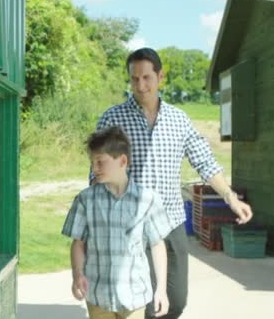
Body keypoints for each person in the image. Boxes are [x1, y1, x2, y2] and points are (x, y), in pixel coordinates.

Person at [94, 47, 253, 318]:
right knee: (140, 302)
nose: (140, 86)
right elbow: (98, 171)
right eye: (134, 79)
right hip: (129, 225)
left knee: (175, 301)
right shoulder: (113, 118)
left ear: (160, 76)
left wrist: (230, 197)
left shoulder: (179, 120)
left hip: (171, 222)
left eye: (147, 78)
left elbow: (205, 162)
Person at [62, 126, 171, 319]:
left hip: (135, 295)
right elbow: (78, 243)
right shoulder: (85, 200)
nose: (94, 168)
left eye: (100, 162)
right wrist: (77, 275)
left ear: (123, 161)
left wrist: (161, 289)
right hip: (97, 296)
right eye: (92, 162)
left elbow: (157, 245)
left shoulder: (148, 199)